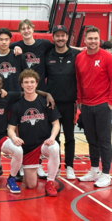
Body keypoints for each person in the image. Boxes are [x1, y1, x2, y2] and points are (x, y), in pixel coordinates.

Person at [8, 69, 61, 196]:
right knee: (31, 185)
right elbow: (10, 128)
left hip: (44, 143)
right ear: (22, 84)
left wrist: (52, 137)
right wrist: (14, 137)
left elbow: (56, 124)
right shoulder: (17, 105)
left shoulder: (46, 102)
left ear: (37, 84)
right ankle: (28, 172)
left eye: (32, 82)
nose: (29, 85)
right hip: (28, 147)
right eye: (26, 82)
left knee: (55, 148)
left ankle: (50, 182)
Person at [75, 27, 112, 187]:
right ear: (84, 40)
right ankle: (94, 170)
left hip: (103, 105)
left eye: (96, 38)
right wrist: (80, 102)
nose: (93, 41)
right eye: (90, 38)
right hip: (87, 106)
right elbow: (79, 81)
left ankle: (106, 174)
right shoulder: (79, 58)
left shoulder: (107, 57)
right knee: (91, 140)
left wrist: (110, 102)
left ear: (99, 40)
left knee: (104, 140)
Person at [45, 25, 80, 179]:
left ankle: (70, 166)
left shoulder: (76, 55)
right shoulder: (47, 54)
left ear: (67, 37)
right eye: (57, 35)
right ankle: (56, 166)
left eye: (62, 35)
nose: (60, 38)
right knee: (55, 137)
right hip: (52, 103)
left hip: (69, 102)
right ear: (53, 38)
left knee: (70, 136)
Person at [0, 27, 28, 92]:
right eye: (1, 39)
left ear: (10, 40)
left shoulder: (18, 55)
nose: (4, 42)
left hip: (17, 95)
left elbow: (27, 74)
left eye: (6, 39)